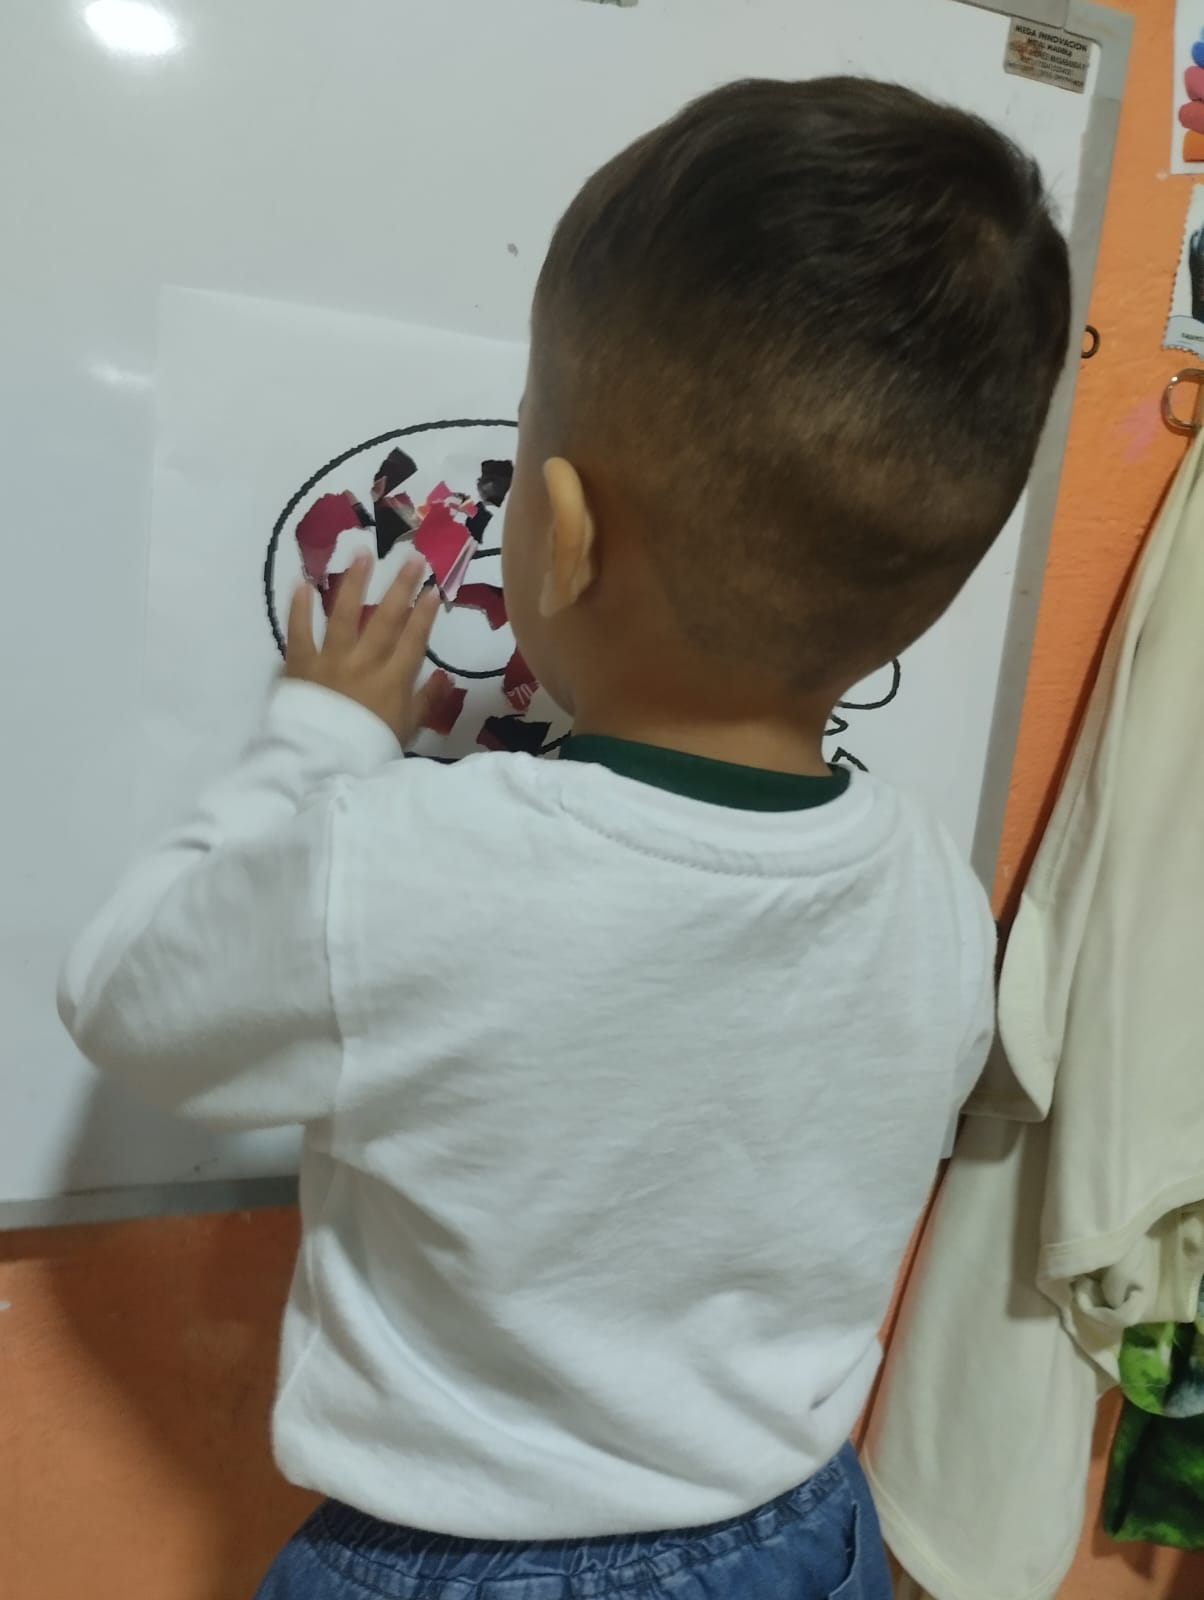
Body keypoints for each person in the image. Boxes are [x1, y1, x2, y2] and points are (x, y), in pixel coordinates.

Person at [59, 76, 1071, 1600]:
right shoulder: (937, 888)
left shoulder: (408, 866)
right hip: (805, 1531)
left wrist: (319, 736)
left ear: (565, 533)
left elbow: (127, 992)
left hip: (475, 1566)